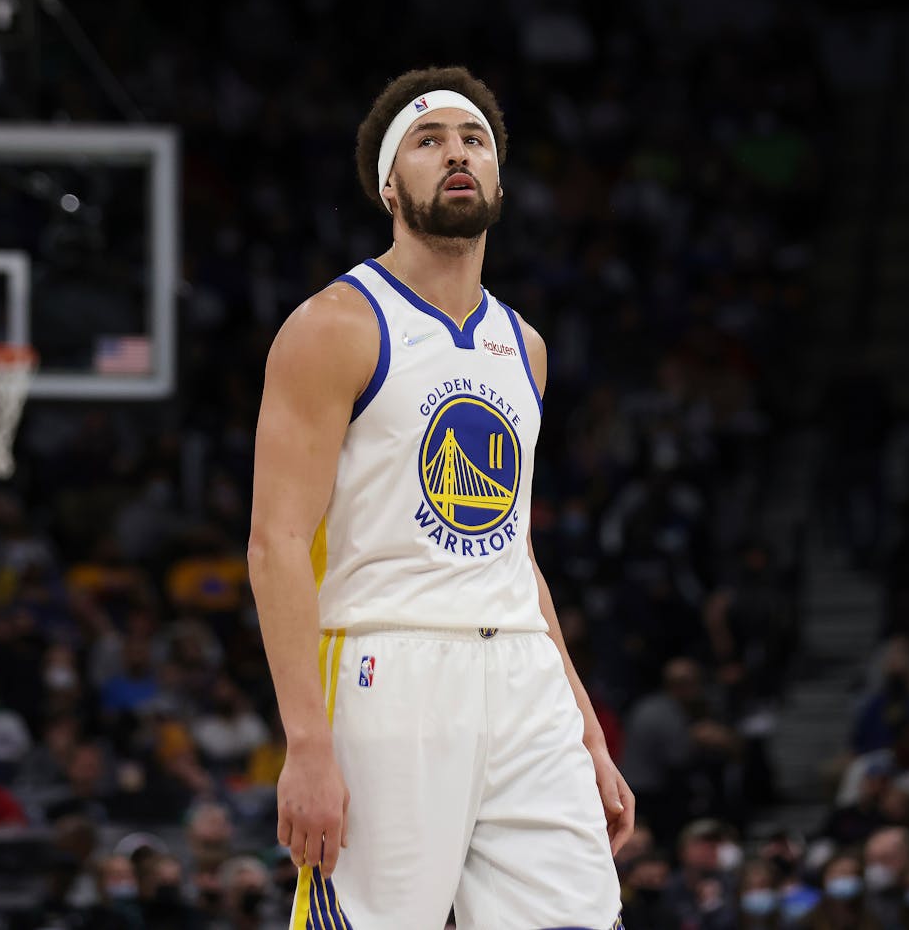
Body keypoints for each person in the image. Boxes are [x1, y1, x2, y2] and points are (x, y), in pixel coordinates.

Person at [248, 65, 630, 929]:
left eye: (475, 141)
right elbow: (275, 544)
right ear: (390, 184)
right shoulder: (333, 327)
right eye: (428, 141)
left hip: (523, 678)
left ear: (498, 178)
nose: (456, 153)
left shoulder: (522, 346)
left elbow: (513, 552)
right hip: (388, 669)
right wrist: (306, 742)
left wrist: (584, 726)